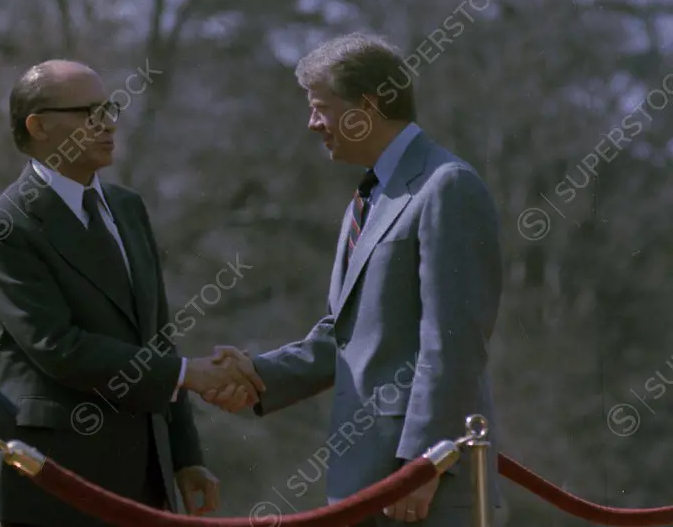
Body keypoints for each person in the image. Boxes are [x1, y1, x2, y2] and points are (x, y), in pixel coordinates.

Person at [206, 34, 502, 526]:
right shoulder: (368, 198)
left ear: (366, 106)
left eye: (321, 107)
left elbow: (454, 341)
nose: (312, 124)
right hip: (369, 484)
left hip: (419, 489)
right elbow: (346, 338)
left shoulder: (446, 186)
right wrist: (259, 376)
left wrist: (426, 464)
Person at [0, 59, 265, 527]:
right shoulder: (7, 225)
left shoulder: (127, 207)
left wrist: (184, 456)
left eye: (108, 109)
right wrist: (188, 374)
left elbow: (157, 336)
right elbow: (58, 348)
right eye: (89, 113)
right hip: (56, 478)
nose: (108, 123)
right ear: (39, 125)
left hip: (145, 477)